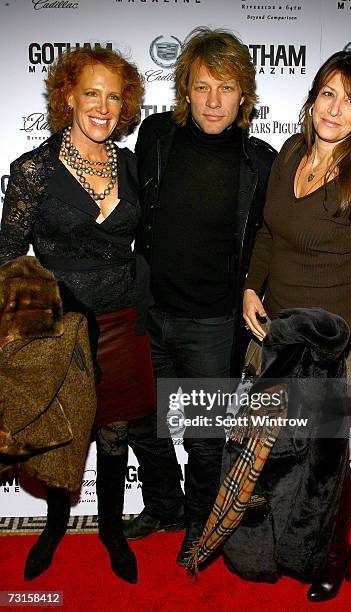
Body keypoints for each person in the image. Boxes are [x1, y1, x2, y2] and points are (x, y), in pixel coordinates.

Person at [243, 51, 351, 602]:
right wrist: (249, 288)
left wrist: (339, 336)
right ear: (313, 98)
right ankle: (285, 547)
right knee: (274, 452)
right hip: (274, 334)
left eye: (349, 99)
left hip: (327, 341)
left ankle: (336, 552)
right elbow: (267, 234)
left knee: (326, 458)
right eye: (327, 93)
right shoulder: (288, 155)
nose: (335, 108)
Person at [0, 47, 155, 584]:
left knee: (114, 434)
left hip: (121, 319)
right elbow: (9, 258)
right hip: (62, 329)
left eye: (114, 96)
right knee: (63, 435)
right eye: (92, 92)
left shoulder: (132, 166)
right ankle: (55, 525)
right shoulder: (33, 171)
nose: (102, 106)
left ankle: (111, 530)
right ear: (68, 96)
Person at [123, 27, 277, 567]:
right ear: (186, 89)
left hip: (213, 323)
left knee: (207, 441)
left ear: (244, 95)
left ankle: (199, 523)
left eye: (227, 88)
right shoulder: (156, 135)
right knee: (148, 425)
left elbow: (267, 239)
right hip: (151, 312)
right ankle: (162, 506)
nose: (214, 100)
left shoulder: (261, 161)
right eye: (203, 86)